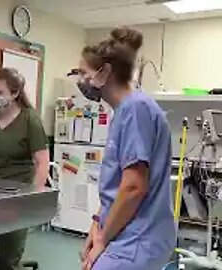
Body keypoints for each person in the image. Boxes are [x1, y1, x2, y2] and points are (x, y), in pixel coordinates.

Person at [77, 28, 176, 270]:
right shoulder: (124, 111)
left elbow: (133, 187)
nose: (80, 80)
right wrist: (97, 224)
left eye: (83, 73)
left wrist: (102, 239)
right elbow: (118, 183)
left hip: (139, 237)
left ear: (105, 72)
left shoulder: (136, 109)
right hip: (127, 232)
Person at [0, 68, 50, 270]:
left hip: (16, 193)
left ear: (14, 94)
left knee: (8, 257)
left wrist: (32, 196)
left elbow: (42, 162)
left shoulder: (30, 120)